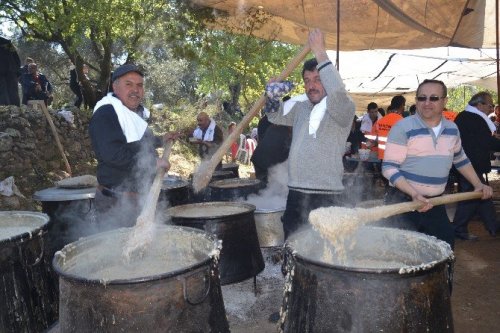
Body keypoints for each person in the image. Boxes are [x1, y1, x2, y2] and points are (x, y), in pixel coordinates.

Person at [265, 29, 355, 239]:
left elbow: (338, 94)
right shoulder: (301, 108)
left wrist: (320, 53)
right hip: (296, 192)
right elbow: (273, 116)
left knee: (323, 250)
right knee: (293, 244)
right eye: (307, 80)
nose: (311, 85)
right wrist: (271, 94)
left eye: (318, 78)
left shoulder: (342, 107)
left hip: (327, 195)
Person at [382, 79, 492, 248]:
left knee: (444, 248)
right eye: (421, 98)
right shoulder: (402, 127)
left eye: (433, 98)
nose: (427, 103)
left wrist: (478, 184)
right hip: (403, 203)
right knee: (401, 256)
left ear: (444, 101)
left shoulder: (452, 129)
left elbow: (460, 159)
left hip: (435, 203)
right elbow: (389, 167)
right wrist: (414, 194)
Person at [89, 63, 176, 230]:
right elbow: (112, 154)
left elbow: (136, 142)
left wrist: (161, 140)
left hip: (138, 199)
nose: (135, 90)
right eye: (128, 84)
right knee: (119, 251)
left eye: (139, 85)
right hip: (117, 204)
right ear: (115, 87)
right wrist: (153, 163)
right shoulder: (106, 112)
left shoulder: (129, 112)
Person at [452, 92, 500, 240]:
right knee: (471, 196)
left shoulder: (465, 116)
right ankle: (459, 229)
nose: (492, 109)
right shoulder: (475, 119)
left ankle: (493, 227)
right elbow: (485, 142)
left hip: (469, 162)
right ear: (479, 105)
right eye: (490, 105)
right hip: (470, 165)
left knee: (483, 194)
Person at [0, 37, 21, 106]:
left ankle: (5, 113)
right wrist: (18, 72)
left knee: (4, 94)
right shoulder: (8, 43)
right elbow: (17, 59)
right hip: (11, 71)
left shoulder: (8, 43)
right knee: (12, 94)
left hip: (8, 72)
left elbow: (16, 58)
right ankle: (15, 112)